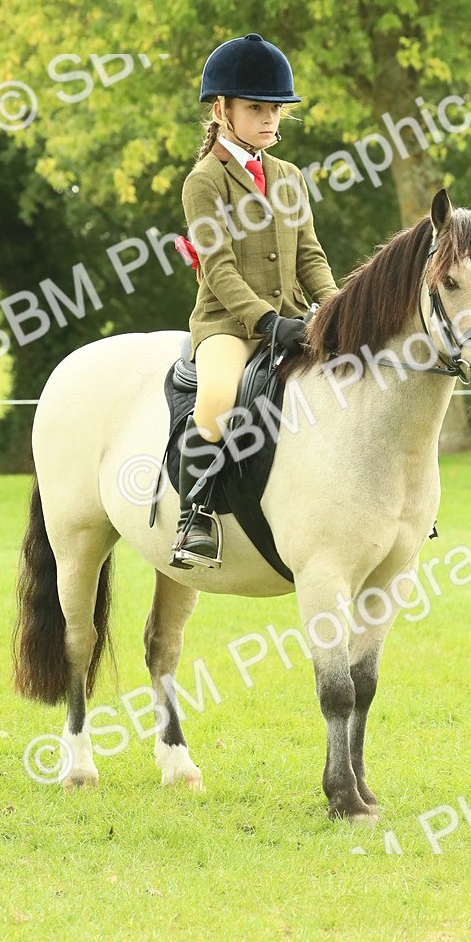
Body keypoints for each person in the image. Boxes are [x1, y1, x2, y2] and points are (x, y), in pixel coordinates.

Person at [170, 32, 338, 569]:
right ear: (222, 110)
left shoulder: (289, 176)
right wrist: (267, 323)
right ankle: (194, 517)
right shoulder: (204, 181)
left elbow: (309, 256)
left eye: (275, 109)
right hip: (228, 324)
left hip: (292, 318)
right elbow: (218, 270)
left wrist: (338, 308)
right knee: (219, 397)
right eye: (256, 109)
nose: (269, 119)